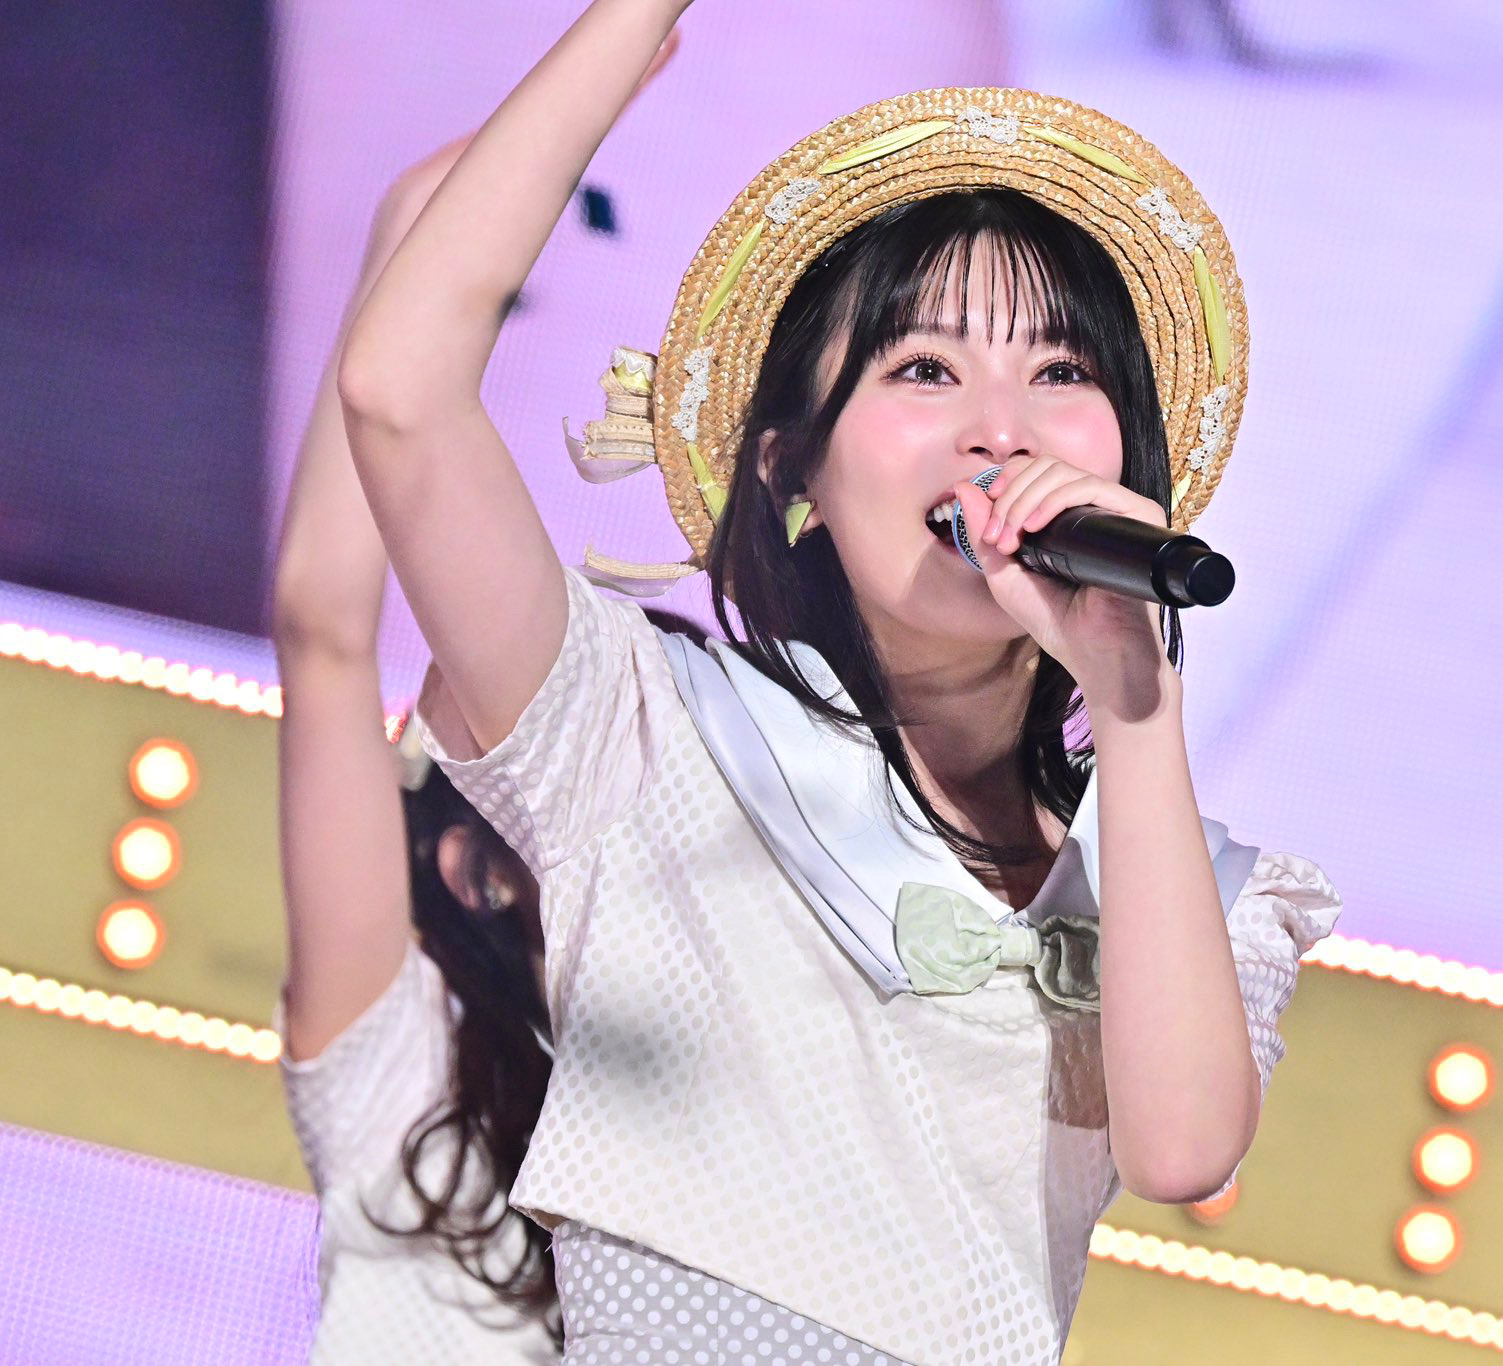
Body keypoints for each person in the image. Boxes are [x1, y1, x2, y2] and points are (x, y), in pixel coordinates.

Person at [336, 3, 1340, 1362]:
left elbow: (1182, 1150)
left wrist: (1134, 699)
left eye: (1061, 370)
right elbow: (399, 394)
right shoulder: (640, 733)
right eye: (925, 367)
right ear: (789, 467)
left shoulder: (1193, 884)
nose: (1001, 429)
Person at [270, 48, 674, 1357]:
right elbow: (327, 628)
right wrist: (423, 239)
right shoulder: (400, 1064)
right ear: (474, 869)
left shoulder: (747, 1081)